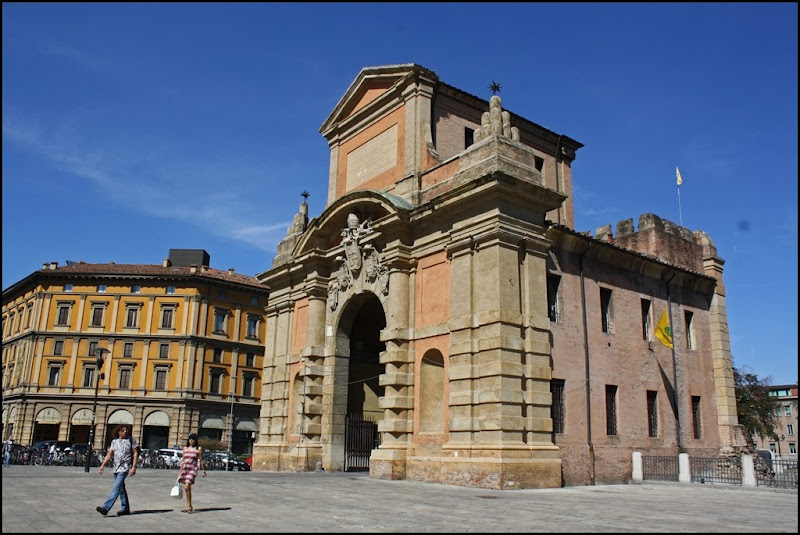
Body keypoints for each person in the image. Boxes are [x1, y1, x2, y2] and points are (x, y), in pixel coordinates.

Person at [96, 424, 138, 517]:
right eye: (123, 430)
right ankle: (125, 509)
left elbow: (135, 453)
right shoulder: (114, 442)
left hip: (124, 468)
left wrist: (134, 467)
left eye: (126, 430)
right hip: (116, 468)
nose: (125, 431)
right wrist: (102, 465)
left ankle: (105, 508)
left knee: (116, 488)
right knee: (121, 489)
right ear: (118, 431)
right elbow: (109, 454)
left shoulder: (131, 440)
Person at [177, 433, 206, 513]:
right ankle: (189, 505)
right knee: (187, 488)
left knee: (187, 486)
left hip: (192, 470)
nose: (191, 441)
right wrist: (180, 472)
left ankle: (189, 506)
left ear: (195, 440)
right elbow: (182, 461)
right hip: (185, 469)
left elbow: (201, 460)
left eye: (193, 439)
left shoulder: (198, 449)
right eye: (190, 439)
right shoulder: (185, 448)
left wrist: (203, 470)